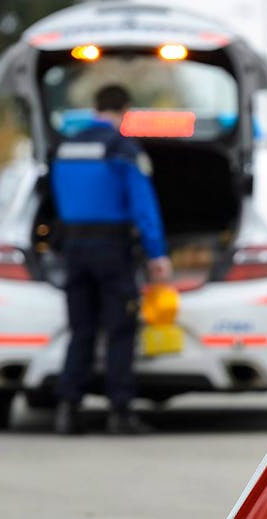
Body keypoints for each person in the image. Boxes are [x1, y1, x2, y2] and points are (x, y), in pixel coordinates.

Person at [51, 84, 172, 436]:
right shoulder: (122, 149)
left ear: (96, 107)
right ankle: (120, 412)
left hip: (74, 248)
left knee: (82, 330)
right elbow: (143, 206)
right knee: (119, 329)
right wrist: (157, 253)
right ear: (126, 110)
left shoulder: (66, 147)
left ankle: (67, 409)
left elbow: (56, 198)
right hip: (112, 249)